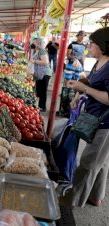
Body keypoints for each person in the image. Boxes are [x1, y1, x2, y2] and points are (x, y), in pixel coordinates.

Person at [65, 27, 109, 207]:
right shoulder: (100, 63)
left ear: (103, 46)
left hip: (105, 122)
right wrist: (78, 94)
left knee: (89, 162)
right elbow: (90, 83)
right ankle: (96, 196)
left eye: (91, 43)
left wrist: (85, 90)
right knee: (101, 161)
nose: (88, 46)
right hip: (94, 117)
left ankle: (73, 201)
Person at [30, 38, 52, 112]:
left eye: (34, 43)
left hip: (45, 73)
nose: (33, 44)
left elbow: (45, 62)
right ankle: (39, 106)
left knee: (42, 91)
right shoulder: (36, 51)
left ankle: (42, 107)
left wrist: (34, 61)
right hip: (39, 73)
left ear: (38, 43)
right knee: (39, 91)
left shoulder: (42, 50)